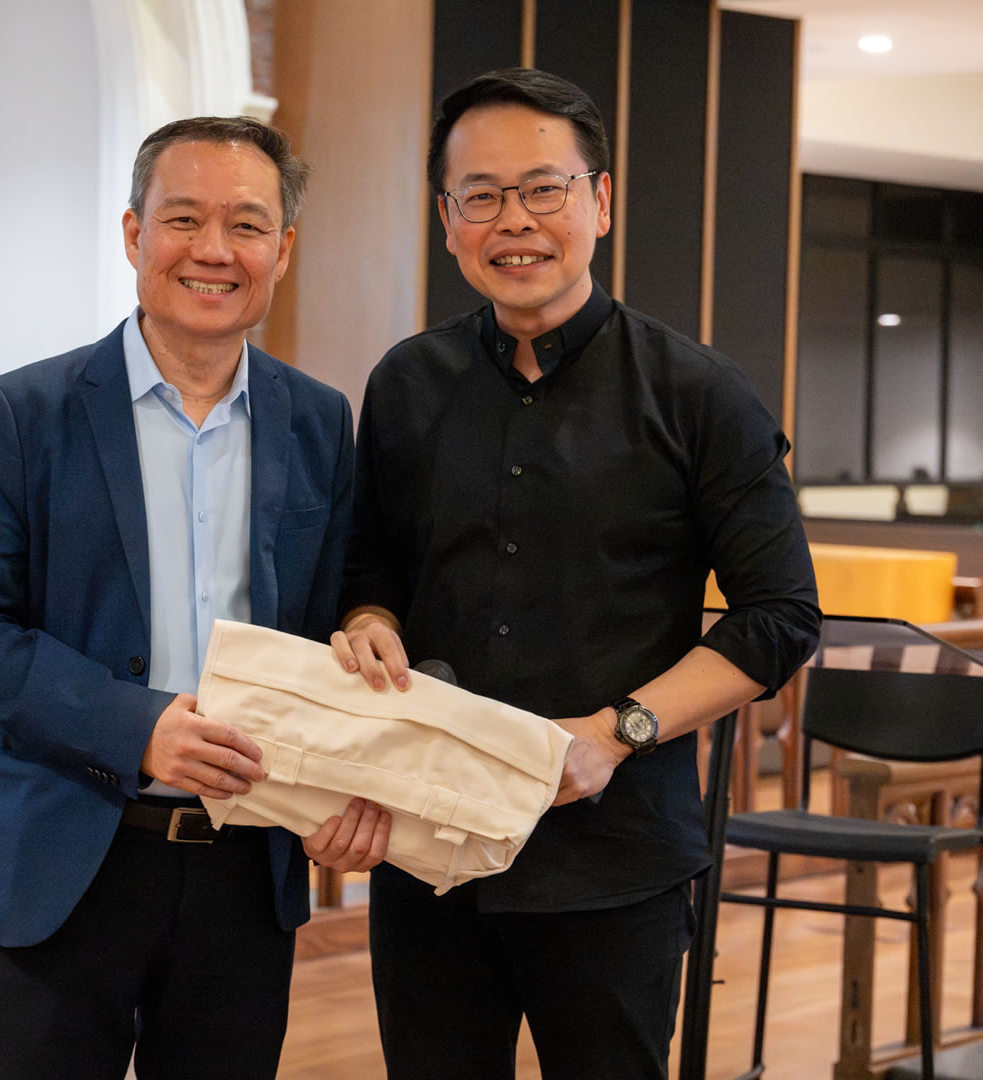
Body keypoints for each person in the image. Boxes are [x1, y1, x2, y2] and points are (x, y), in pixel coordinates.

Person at [334, 68, 822, 1079]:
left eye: (542, 189)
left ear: (599, 201)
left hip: (615, 856)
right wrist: (371, 618)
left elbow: (778, 617)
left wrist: (615, 733)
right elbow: (370, 568)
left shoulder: (699, 393)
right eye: (481, 195)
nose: (514, 221)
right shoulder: (406, 382)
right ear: (447, 219)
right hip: (429, 843)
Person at [0, 115, 384, 1079]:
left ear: (283, 250)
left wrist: (363, 642)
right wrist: (137, 727)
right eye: (183, 219)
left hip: (246, 863)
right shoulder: (25, 411)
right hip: (67, 854)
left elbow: (337, 609)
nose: (214, 250)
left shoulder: (317, 419)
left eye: (247, 225)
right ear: (135, 234)